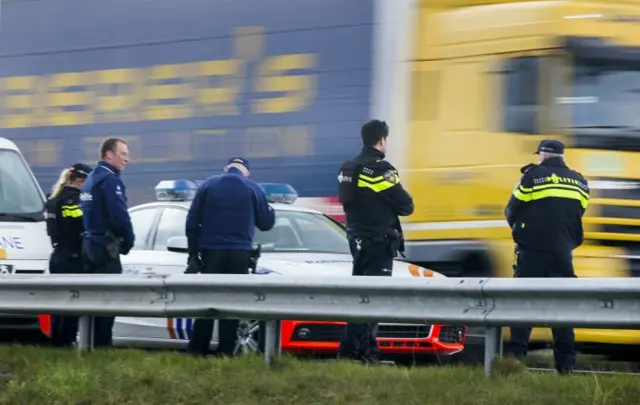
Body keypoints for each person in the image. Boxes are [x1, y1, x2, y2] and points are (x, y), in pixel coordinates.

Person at [504, 139, 590, 375]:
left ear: (543, 154)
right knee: (562, 308)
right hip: (563, 253)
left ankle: (515, 363)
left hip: (532, 251)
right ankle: (565, 367)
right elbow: (579, 211)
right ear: (561, 155)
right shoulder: (580, 181)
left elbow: (511, 209)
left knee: (523, 304)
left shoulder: (532, 176)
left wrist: (521, 232)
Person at [336, 119, 415, 364]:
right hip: (378, 242)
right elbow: (406, 206)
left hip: (356, 239)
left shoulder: (347, 168)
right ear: (382, 140)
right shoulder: (378, 169)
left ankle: (349, 350)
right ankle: (368, 353)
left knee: (359, 295)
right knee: (374, 297)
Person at [185, 157, 276, 357]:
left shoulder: (208, 185)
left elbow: (192, 222)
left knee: (206, 303)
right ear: (246, 172)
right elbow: (266, 223)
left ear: (226, 169)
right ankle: (225, 351)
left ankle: (197, 350)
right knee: (231, 303)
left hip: (211, 253)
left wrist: (193, 254)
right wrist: (270, 208)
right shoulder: (253, 188)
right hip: (239, 254)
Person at [79, 137, 135, 348]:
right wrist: (129, 240)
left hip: (89, 245)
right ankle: (102, 348)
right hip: (105, 248)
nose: (127, 160)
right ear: (109, 155)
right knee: (108, 302)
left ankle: (89, 347)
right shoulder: (110, 180)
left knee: (92, 304)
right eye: (123, 154)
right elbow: (120, 217)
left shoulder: (91, 179)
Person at [44, 162, 93, 347]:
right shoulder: (73, 200)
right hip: (72, 258)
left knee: (58, 306)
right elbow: (81, 227)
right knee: (72, 305)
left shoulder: (52, 198)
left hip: (57, 256)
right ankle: (67, 343)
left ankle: (57, 343)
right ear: (81, 181)